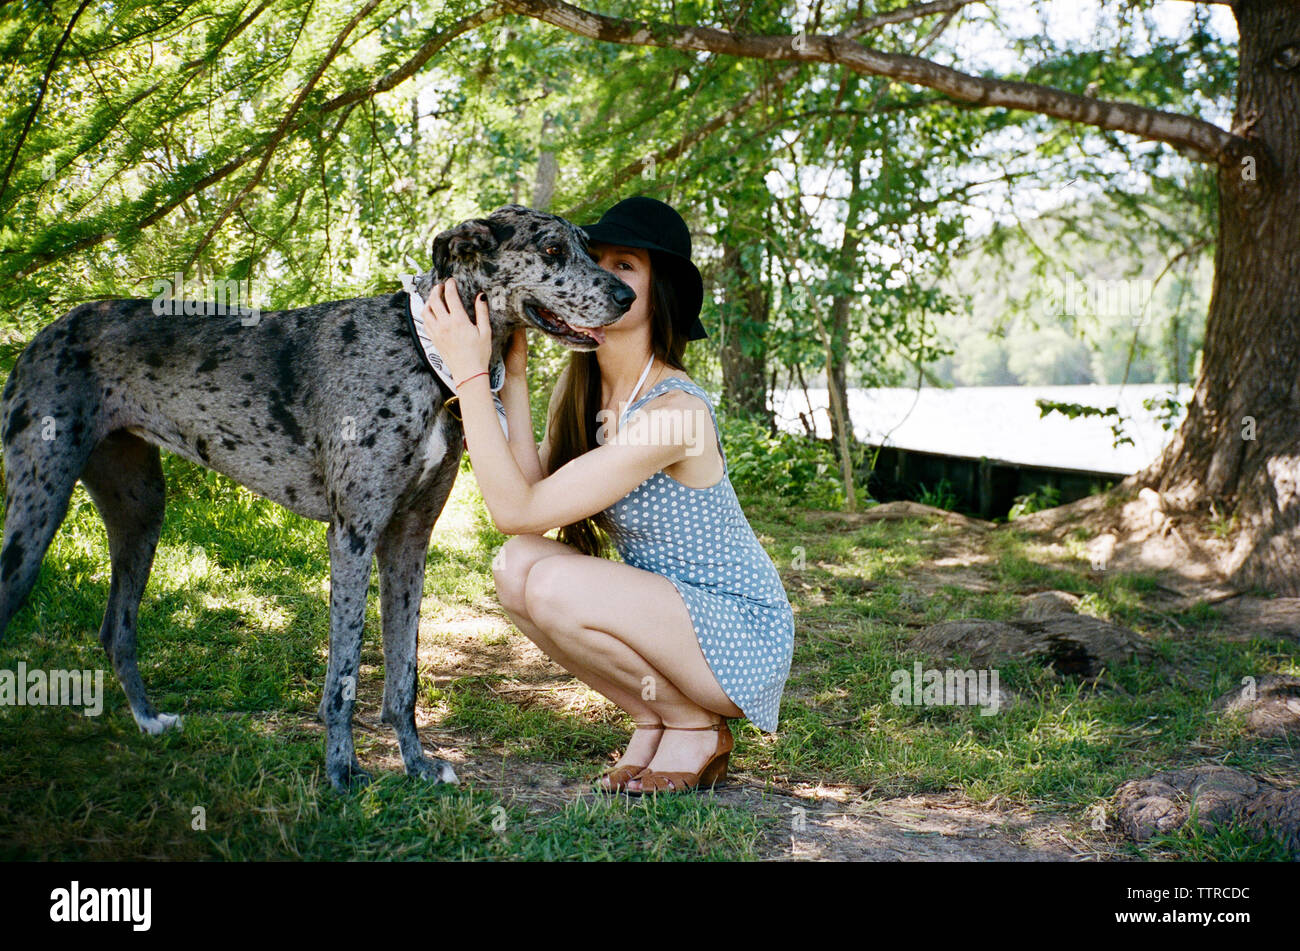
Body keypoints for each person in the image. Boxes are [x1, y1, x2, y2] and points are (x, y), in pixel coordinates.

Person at [421, 195, 794, 793]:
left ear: (659, 291)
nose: (600, 275)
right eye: (594, 260)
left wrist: (468, 376)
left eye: (625, 266)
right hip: (669, 620)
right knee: (517, 565)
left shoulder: (676, 411)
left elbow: (511, 507)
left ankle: (695, 724)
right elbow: (525, 517)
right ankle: (655, 717)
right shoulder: (584, 392)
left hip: (737, 635)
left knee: (549, 581)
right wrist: (508, 375)